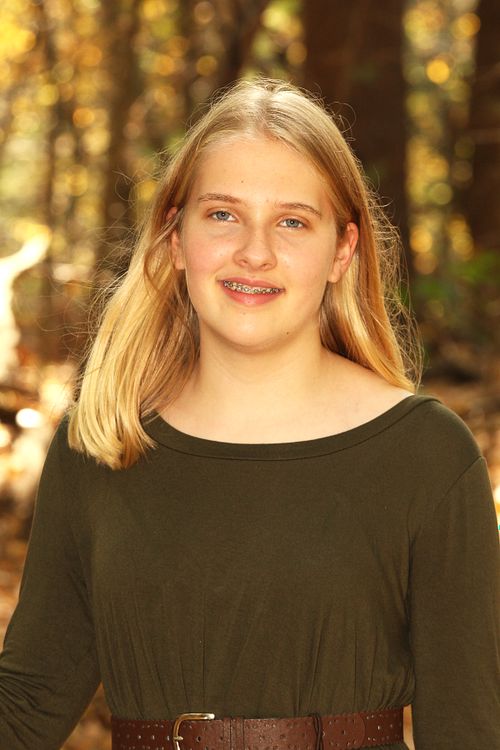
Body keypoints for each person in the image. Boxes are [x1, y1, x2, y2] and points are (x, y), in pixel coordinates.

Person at [0, 78, 498, 750]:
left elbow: (469, 730)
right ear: (175, 239)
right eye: (223, 215)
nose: (255, 252)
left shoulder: (426, 456)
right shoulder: (104, 442)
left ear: (342, 251)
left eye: (292, 221)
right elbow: (26, 704)